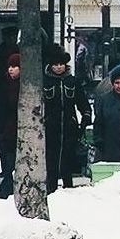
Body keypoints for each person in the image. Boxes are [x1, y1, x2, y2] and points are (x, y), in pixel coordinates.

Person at [42, 50, 92, 193]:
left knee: (68, 157)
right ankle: (50, 186)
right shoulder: (45, 82)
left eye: (61, 64)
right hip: (50, 125)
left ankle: (67, 186)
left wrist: (86, 117)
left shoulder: (73, 82)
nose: (59, 67)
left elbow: (82, 102)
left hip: (69, 126)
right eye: (56, 65)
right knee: (51, 157)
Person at [0, 53, 21, 199]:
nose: (11, 70)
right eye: (9, 66)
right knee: (9, 161)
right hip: (8, 130)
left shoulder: (22, 85)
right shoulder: (4, 85)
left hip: (14, 128)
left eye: (15, 66)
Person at [93, 64, 120, 163]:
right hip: (109, 146)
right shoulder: (104, 99)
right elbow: (98, 122)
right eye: (117, 83)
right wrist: (98, 140)